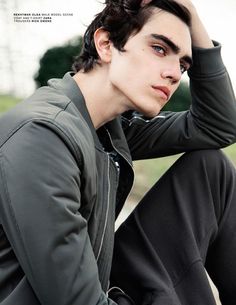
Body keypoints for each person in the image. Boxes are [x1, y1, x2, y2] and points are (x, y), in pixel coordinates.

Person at [0, 0, 235, 304]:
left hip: (104, 288)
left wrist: (191, 13)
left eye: (183, 65)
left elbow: (218, 126)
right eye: (160, 49)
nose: (175, 75)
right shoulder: (42, 136)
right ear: (106, 44)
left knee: (209, 169)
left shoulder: (111, 129)